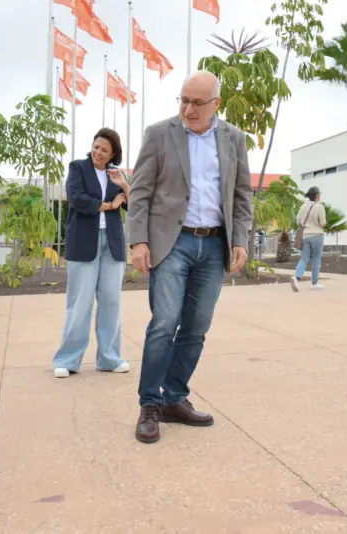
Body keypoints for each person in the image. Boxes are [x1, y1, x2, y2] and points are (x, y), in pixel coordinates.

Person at [127, 71, 253, 444]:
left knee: (196, 327)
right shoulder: (159, 133)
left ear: (216, 104)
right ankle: (150, 405)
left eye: (198, 103)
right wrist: (139, 240)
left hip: (213, 246)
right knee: (165, 323)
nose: (188, 109)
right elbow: (140, 190)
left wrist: (240, 238)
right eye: (183, 100)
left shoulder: (233, 138)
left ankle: (174, 397)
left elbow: (241, 193)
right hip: (172, 243)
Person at [52, 128, 131, 378]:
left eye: (104, 150)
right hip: (84, 242)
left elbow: (134, 205)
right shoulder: (78, 167)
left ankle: (109, 358)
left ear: (113, 154)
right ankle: (67, 360)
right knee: (80, 303)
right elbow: (76, 198)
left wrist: (124, 185)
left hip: (113, 244)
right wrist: (109, 205)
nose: (98, 152)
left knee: (111, 302)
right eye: (96, 146)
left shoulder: (116, 174)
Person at [291, 186, 326, 292]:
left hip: (305, 236)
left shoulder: (303, 206)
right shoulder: (319, 207)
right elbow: (323, 223)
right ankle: (314, 283)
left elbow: (298, 221)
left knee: (304, 258)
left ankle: (296, 277)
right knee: (316, 258)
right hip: (317, 235)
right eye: (319, 194)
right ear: (316, 196)